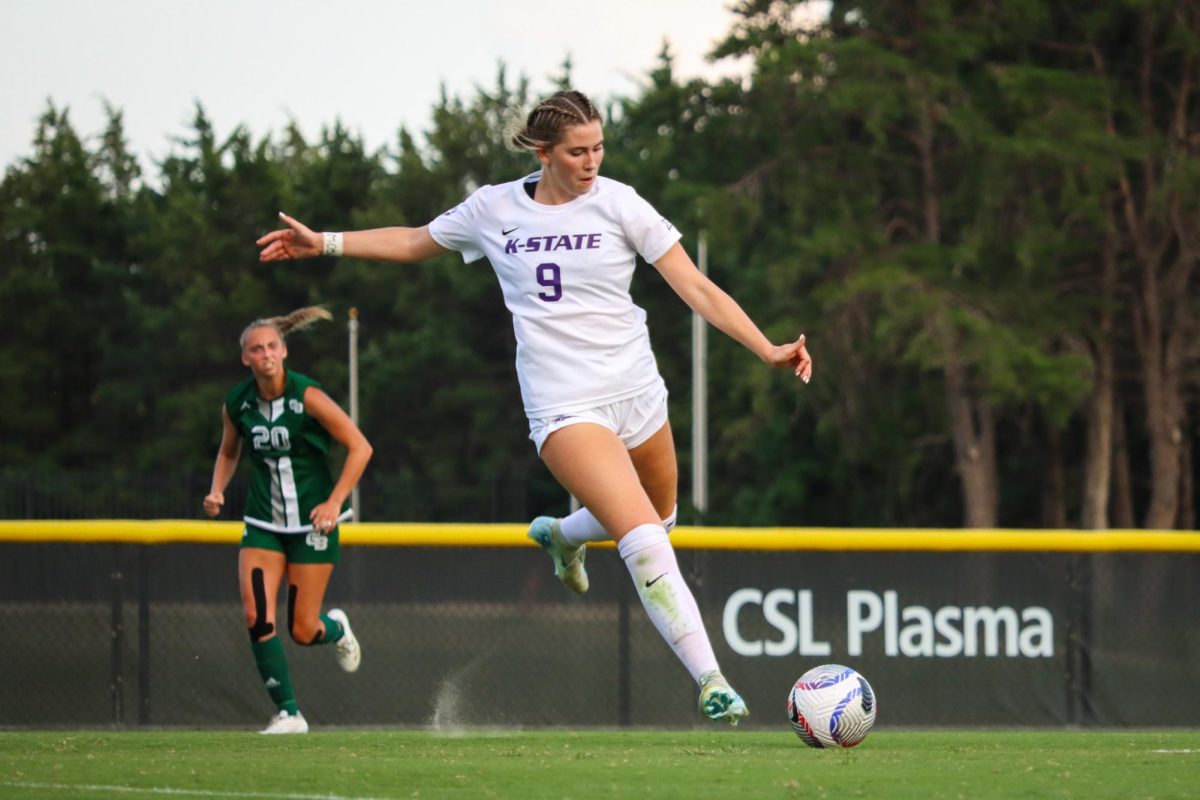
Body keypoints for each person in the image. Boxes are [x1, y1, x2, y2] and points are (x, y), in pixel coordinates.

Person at [256, 90, 812, 725]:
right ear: (543, 153)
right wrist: (323, 243)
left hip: (637, 393)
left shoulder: (620, 203)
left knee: (663, 515)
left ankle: (564, 535)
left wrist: (767, 348)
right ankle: (712, 679)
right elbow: (413, 241)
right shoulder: (493, 208)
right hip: (564, 406)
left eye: (599, 147)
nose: (592, 160)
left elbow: (696, 287)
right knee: (645, 539)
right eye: (578, 151)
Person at [203, 306, 373, 734]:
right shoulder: (238, 402)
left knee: (302, 629)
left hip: (313, 525)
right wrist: (218, 488)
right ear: (245, 358)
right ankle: (289, 713)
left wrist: (334, 503)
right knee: (257, 617)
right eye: (256, 349)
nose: (265, 354)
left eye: (272, 346)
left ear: (284, 350)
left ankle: (336, 629)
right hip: (263, 523)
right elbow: (228, 451)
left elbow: (360, 447)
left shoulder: (306, 396)